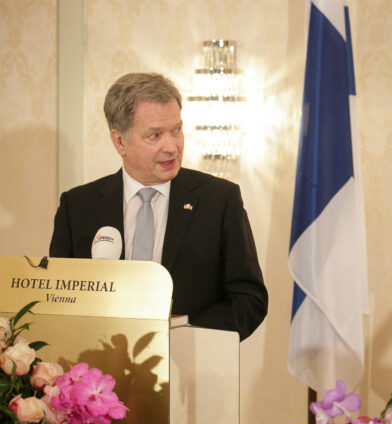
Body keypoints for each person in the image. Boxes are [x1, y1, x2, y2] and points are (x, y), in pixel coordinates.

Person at [49, 73, 268, 340]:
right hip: (99, 371)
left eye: (176, 130)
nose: (172, 146)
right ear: (120, 141)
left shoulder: (220, 200)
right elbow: (58, 301)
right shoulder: (77, 206)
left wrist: (183, 338)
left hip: (191, 371)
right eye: (155, 135)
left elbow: (249, 299)